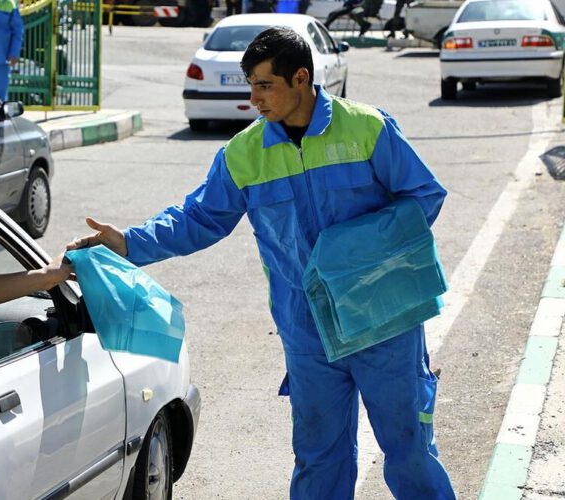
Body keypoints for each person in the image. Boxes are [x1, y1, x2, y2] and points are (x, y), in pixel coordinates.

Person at [67, 27, 456, 500]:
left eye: (264, 85)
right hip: (309, 330)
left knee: (410, 449)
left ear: (301, 78)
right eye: (249, 85)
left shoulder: (368, 128)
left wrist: (348, 252)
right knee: (319, 458)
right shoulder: (243, 153)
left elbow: (423, 197)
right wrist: (128, 242)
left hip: (385, 322)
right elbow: (199, 218)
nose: (254, 99)